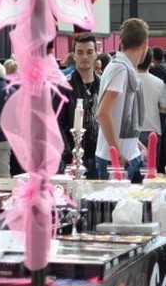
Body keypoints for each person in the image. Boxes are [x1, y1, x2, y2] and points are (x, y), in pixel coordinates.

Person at [96, 18, 149, 182]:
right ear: (145, 44)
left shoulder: (123, 68)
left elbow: (119, 115)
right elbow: (103, 113)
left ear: (122, 42)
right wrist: (117, 153)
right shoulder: (120, 69)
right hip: (116, 159)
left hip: (128, 154)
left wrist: (137, 145)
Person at [56, 33, 101, 178]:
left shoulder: (103, 84)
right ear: (74, 56)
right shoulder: (64, 86)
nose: (85, 57)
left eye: (89, 52)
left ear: (96, 54)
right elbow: (56, 122)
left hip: (99, 156)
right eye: (80, 52)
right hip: (71, 158)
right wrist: (68, 152)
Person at [137, 48, 166, 165]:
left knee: (133, 169)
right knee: (151, 168)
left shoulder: (128, 80)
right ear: (151, 62)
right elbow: (164, 107)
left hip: (132, 131)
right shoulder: (159, 83)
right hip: (153, 129)